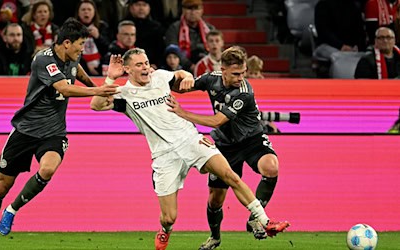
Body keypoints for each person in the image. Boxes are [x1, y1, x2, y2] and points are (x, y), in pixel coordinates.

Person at [90, 48, 290, 250]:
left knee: (230, 175)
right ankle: (165, 230)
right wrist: (109, 78)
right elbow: (96, 105)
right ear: (127, 69)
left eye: (147, 62)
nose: (146, 68)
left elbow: (180, 76)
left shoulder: (159, 77)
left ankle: (265, 221)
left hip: (191, 140)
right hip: (163, 155)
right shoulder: (124, 95)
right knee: (169, 217)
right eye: (139, 64)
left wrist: (185, 74)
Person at [0, 18, 120, 250]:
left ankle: (12, 210)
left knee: (48, 168)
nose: (82, 49)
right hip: (26, 130)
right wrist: (98, 89)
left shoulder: (72, 56)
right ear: (66, 43)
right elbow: (64, 88)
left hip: (54, 131)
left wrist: (91, 84)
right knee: (1, 187)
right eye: (80, 44)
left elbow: (76, 71)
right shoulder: (43, 59)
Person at [166, 46, 284, 249]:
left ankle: (256, 219)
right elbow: (181, 87)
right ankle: (215, 237)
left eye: (244, 72)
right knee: (215, 200)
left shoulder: (244, 92)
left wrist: (182, 113)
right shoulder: (211, 78)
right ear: (223, 70)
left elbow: (216, 121)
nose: (241, 77)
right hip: (225, 145)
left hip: (251, 139)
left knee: (271, 166)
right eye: (236, 73)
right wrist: (172, 79)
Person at [165, 0, 215, 72]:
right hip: (182, 68)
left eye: (196, 8)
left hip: (206, 67)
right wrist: (190, 65)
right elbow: (173, 51)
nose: (193, 12)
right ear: (183, 10)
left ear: (202, 10)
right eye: (189, 9)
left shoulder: (209, 29)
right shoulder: (174, 28)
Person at [75, 0, 112, 76]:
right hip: (79, 66)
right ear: (78, 13)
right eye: (83, 9)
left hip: (100, 66)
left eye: (89, 9)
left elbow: (108, 48)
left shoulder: (102, 26)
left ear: (94, 12)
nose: (86, 12)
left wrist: (98, 37)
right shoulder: (72, 27)